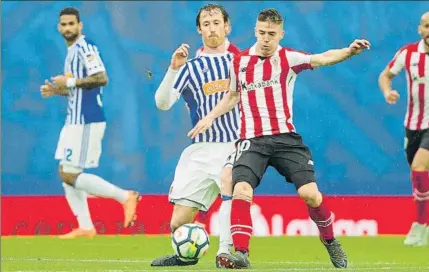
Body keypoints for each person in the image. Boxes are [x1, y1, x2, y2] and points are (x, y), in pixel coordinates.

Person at [189, 8, 370, 269]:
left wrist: (348, 52)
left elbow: (322, 58)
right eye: (261, 33)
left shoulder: (288, 58)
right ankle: (241, 253)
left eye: (271, 34)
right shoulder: (239, 62)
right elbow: (232, 96)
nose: (265, 39)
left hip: (286, 139)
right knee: (241, 189)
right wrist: (209, 117)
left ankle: (330, 242)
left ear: (281, 34)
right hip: (252, 140)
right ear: (255, 31)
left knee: (311, 195)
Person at [151, 4, 240, 267]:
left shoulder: (242, 61)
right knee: (177, 223)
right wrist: (173, 68)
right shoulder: (190, 68)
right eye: (207, 23)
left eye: (216, 22)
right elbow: (162, 103)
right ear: (199, 30)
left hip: (236, 144)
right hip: (201, 149)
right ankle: (187, 255)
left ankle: (225, 252)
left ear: (227, 27)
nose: (212, 28)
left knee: (228, 182)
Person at [40, 7, 140, 239]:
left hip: (87, 119)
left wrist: (70, 81)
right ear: (59, 27)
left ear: (80, 25)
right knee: (66, 171)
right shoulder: (71, 51)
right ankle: (86, 227)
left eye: (71, 24)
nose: (67, 28)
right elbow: (78, 89)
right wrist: (58, 90)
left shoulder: (85, 47)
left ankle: (126, 197)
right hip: (74, 119)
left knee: (69, 174)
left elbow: (101, 78)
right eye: (63, 24)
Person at [378, 11, 429, 247]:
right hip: (412, 125)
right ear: (420, 29)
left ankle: (420, 225)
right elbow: (385, 75)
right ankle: (423, 222)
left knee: (420, 166)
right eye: (427, 26)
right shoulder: (408, 53)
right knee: (418, 176)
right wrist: (387, 91)